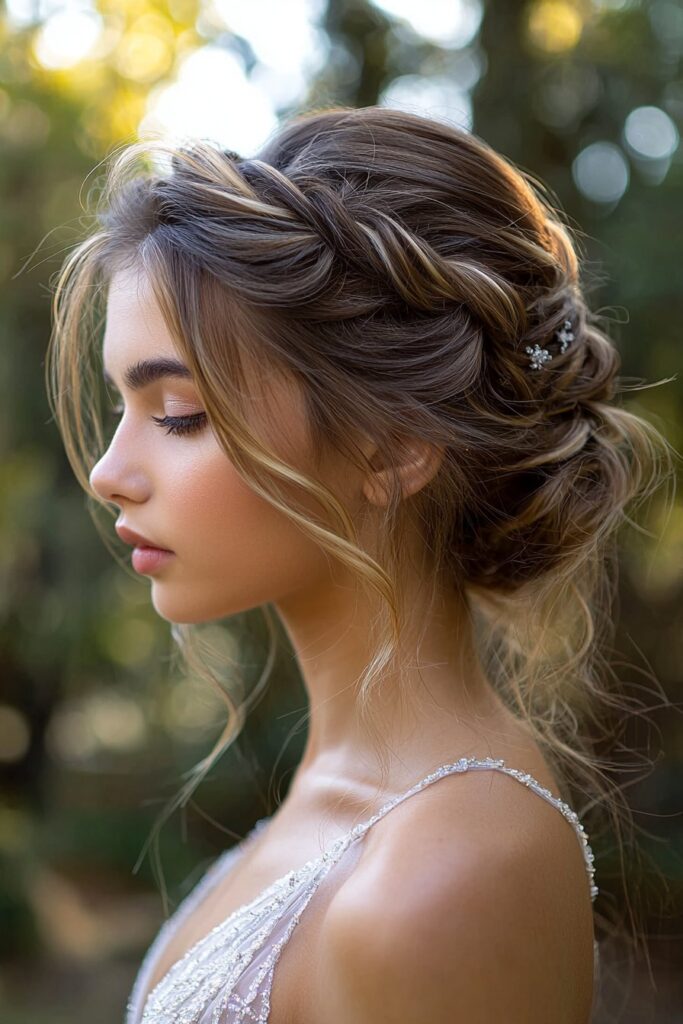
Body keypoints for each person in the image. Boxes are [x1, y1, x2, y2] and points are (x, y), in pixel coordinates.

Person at [45, 105, 674, 1023]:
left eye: (177, 413)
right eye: (120, 407)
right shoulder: (349, 801)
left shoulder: (449, 877)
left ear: (389, 446)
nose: (109, 474)